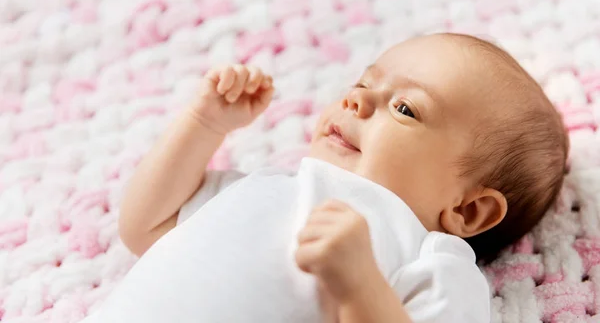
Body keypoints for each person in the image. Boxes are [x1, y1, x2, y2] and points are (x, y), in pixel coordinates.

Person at [84, 33, 568, 322]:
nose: (357, 102)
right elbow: (146, 226)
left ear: (468, 209)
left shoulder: (432, 261)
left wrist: (359, 286)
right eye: (363, 84)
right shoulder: (269, 185)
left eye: (404, 108)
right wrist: (204, 125)